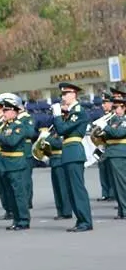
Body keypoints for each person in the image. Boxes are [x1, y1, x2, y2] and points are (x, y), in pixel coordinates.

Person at [51, 82, 93, 231]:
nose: (63, 97)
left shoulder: (79, 111)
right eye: (62, 94)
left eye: (65, 94)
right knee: (71, 189)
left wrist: (57, 115)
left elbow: (62, 129)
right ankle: (81, 220)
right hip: (68, 152)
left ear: (74, 94)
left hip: (74, 151)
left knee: (77, 189)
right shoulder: (70, 112)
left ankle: (85, 221)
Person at [0, 94, 31, 230]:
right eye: (3, 110)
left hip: (16, 164)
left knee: (19, 194)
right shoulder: (5, 126)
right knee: (11, 194)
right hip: (6, 164)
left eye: (6, 111)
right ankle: (16, 219)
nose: (3, 113)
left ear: (14, 112)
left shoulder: (19, 126)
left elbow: (11, 141)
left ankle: (23, 220)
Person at [95, 93, 126, 218]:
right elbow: (106, 136)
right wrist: (100, 131)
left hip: (120, 153)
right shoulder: (114, 120)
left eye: (117, 107)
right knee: (116, 184)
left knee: (121, 183)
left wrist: (105, 127)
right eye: (114, 107)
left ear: (124, 108)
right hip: (111, 153)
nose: (114, 110)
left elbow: (118, 133)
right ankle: (121, 210)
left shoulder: (124, 120)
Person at [97, 92, 114, 201]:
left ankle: (112, 193)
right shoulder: (102, 116)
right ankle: (105, 192)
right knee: (102, 169)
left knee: (111, 170)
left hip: (111, 145)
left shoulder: (114, 116)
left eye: (105, 103)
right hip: (102, 146)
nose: (103, 105)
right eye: (103, 103)